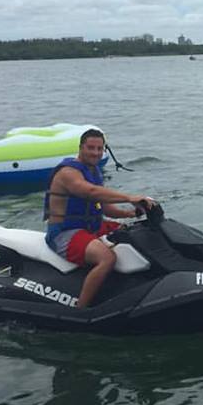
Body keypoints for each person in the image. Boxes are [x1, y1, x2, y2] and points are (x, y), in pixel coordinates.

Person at [44, 129, 156, 308]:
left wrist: (131, 213)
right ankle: (81, 309)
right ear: (81, 148)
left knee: (133, 232)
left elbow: (105, 208)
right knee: (107, 258)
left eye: (99, 149)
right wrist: (129, 197)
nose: (95, 153)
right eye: (91, 148)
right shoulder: (68, 172)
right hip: (64, 233)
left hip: (91, 227)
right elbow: (89, 191)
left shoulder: (94, 171)